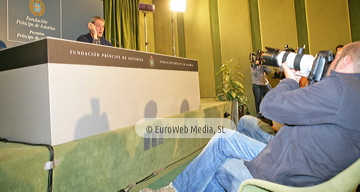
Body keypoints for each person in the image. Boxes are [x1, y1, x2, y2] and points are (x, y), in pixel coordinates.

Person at [141, 41, 360, 192]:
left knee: (221, 147)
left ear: (346, 62)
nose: (329, 63)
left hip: (281, 174)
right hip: (294, 163)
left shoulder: (340, 88)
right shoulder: (352, 94)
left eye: (335, 58)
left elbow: (270, 107)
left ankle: (175, 190)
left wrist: (290, 80)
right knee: (224, 145)